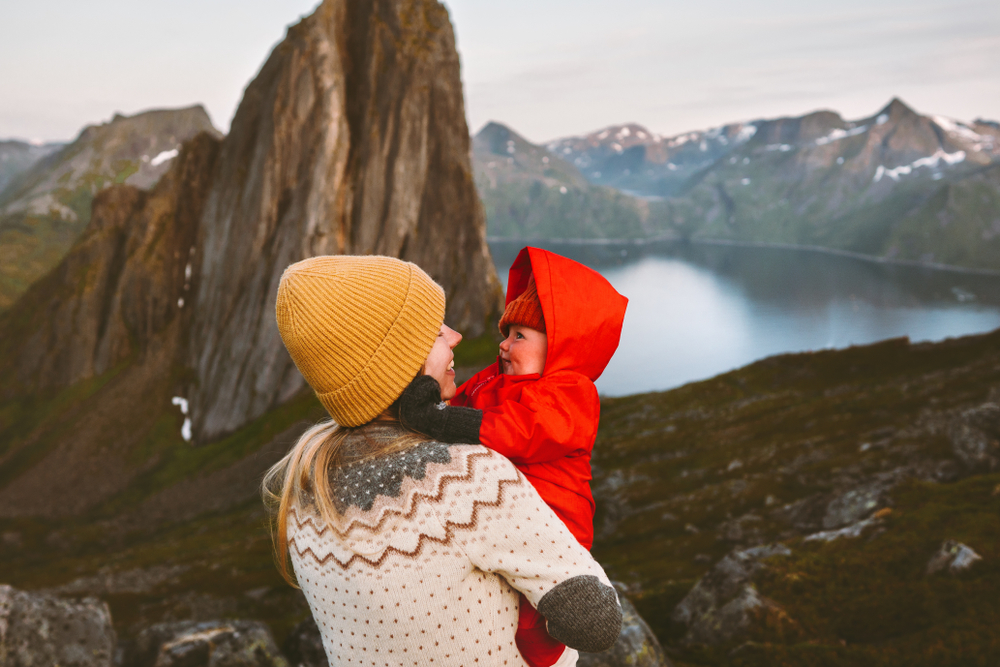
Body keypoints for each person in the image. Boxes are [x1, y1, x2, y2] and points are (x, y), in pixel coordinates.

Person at [263, 254, 622, 667]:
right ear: (394, 361)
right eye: (434, 332)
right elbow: (598, 624)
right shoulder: (466, 481)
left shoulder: (304, 484)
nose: (455, 336)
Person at [399, 247, 628, 667]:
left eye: (519, 335)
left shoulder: (569, 393)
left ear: (560, 346)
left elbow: (521, 432)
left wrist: (435, 420)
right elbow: (468, 401)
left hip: (557, 518)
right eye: (507, 333)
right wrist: (434, 404)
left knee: (534, 617)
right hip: (510, 510)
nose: (503, 345)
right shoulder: (500, 378)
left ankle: (545, 659)